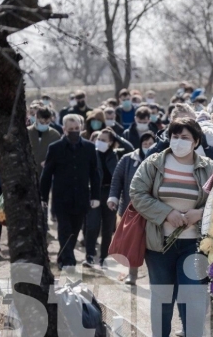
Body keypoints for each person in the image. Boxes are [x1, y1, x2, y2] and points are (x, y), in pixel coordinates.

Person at [130, 118, 213, 337]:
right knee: (162, 295)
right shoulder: (154, 164)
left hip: (194, 243)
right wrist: (166, 213)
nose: (179, 142)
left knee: (193, 293)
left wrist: (200, 214)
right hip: (159, 244)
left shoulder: (208, 167)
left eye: (185, 137)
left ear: (196, 142)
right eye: (175, 136)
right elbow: (137, 194)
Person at [40, 114, 101, 271]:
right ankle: (68, 261)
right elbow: (46, 174)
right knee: (64, 230)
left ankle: (63, 255)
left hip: (81, 198)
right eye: (70, 129)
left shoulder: (88, 148)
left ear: (81, 128)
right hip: (62, 199)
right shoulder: (55, 148)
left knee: (74, 231)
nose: (74, 132)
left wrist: (95, 196)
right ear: (64, 129)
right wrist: (43, 197)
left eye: (77, 129)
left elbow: (94, 174)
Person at [108, 131, 156, 285]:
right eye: (145, 144)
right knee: (133, 243)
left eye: (151, 144)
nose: (148, 147)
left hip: (152, 211)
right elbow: (117, 180)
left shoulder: (159, 160)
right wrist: (113, 197)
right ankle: (132, 274)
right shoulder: (128, 159)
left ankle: (154, 276)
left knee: (150, 244)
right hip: (131, 211)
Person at [83, 128, 122, 268]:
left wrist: (117, 135)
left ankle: (104, 258)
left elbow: (129, 148)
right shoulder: (91, 154)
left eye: (104, 140)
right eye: (99, 139)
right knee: (92, 225)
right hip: (94, 192)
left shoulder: (115, 156)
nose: (100, 142)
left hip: (110, 194)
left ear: (111, 142)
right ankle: (89, 256)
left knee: (107, 228)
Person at [28, 107, 61, 177]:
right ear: (36, 118)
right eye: (42, 122)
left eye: (47, 123)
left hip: (47, 174)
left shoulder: (55, 135)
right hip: (29, 173)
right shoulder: (27, 132)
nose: (44, 125)